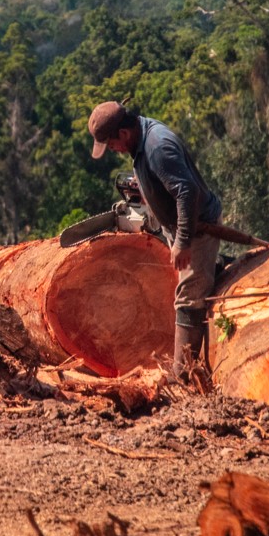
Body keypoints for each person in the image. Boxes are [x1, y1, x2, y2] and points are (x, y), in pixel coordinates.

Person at [87, 101, 222, 386]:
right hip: (177, 225)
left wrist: (183, 241)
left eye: (111, 143)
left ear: (123, 133)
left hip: (197, 228)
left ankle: (182, 375)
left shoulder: (157, 146)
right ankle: (216, 272)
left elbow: (187, 194)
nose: (112, 149)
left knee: (188, 298)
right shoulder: (140, 138)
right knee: (187, 286)